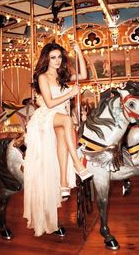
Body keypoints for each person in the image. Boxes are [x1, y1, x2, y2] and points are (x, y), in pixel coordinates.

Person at [23, 42, 93, 237]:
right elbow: (49, 102)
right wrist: (70, 93)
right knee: (67, 121)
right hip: (46, 116)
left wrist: (79, 53)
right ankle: (78, 165)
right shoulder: (42, 76)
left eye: (59, 57)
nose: (57, 61)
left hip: (60, 119)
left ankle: (63, 182)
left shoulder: (61, 77)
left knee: (64, 133)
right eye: (53, 57)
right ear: (47, 58)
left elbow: (84, 76)